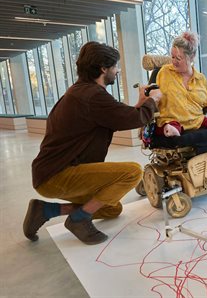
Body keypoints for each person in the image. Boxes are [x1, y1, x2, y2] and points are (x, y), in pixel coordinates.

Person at [24, 41, 162, 245]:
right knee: (132, 172)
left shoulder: (81, 92)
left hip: (53, 171)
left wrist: (141, 105)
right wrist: (154, 100)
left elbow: (118, 117)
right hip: (56, 175)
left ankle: (46, 210)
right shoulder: (92, 96)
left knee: (112, 208)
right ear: (103, 68)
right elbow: (131, 119)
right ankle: (79, 219)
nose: (117, 71)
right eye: (115, 66)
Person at [155, 31, 207, 137]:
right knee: (169, 126)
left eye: (178, 58)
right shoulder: (164, 72)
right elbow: (155, 96)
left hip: (195, 121)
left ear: (192, 56)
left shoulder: (200, 79)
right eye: (172, 57)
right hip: (172, 120)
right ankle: (172, 131)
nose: (174, 62)